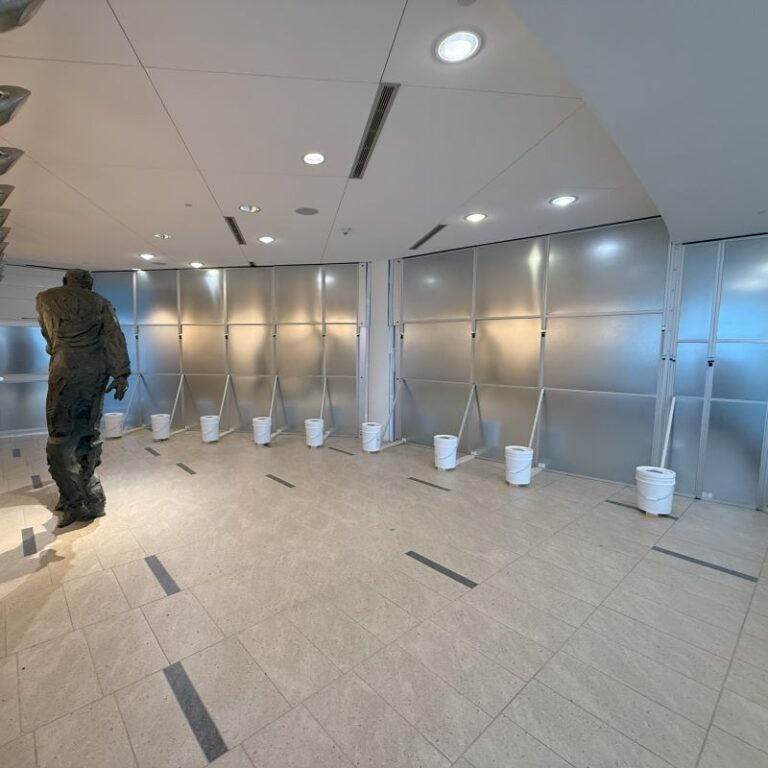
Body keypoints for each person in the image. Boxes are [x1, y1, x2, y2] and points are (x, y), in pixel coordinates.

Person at [36, 269, 130, 527]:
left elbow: (48, 336)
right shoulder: (101, 303)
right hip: (94, 374)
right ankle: (83, 493)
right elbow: (114, 338)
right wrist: (121, 375)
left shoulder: (45, 298)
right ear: (89, 285)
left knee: (60, 435)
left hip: (63, 371)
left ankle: (76, 499)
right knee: (87, 431)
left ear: (66, 281)